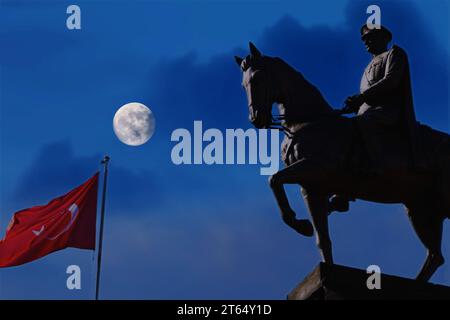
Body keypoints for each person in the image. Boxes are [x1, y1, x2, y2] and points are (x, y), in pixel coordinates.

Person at [329, 24, 423, 213]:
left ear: (384, 38)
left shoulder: (394, 55)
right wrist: (353, 105)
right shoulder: (367, 67)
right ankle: (343, 185)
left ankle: (377, 164)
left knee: (362, 123)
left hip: (386, 112)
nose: (366, 42)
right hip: (367, 112)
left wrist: (362, 97)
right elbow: (366, 97)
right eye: (364, 39)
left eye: (371, 38)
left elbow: (391, 81)